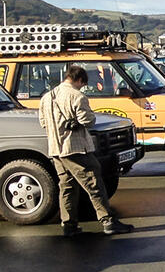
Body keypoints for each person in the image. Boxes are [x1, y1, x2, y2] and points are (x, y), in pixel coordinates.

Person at [38, 64, 133, 236]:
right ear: (79, 80)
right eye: (83, 83)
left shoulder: (47, 97)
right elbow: (88, 121)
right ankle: (108, 221)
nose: (83, 86)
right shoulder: (77, 96)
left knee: (67, 188)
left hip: (56, 150)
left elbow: (43, 123)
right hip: (75, 149)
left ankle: (69, 225)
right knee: (94, 184)